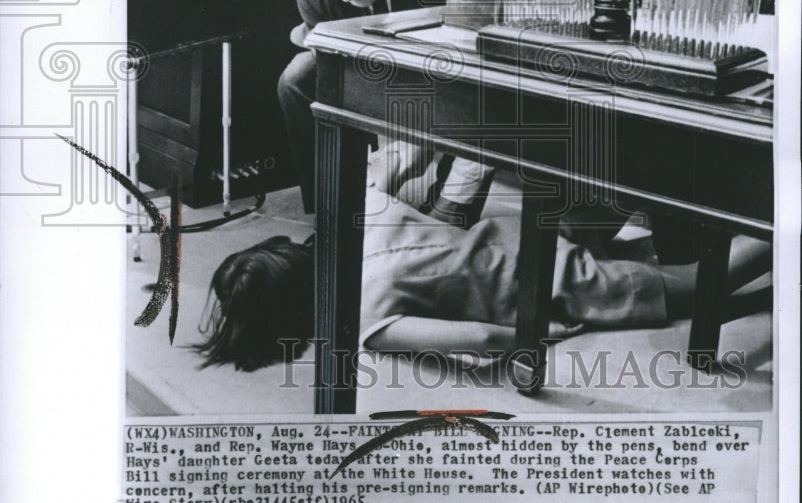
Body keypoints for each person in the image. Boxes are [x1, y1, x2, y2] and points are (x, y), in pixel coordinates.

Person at [193, 188, 771, 369]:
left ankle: (782, 229)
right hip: (521, 224)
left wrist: (546, 334)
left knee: (701, 285)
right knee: (663, 257)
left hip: (544, 275)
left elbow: (490, 341)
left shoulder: (363, 319)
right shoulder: (356, 221)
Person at [276, 0, 451, 212]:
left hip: (441, 60)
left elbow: (464, 61)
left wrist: (417, 140)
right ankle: (334, 208)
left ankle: (449, 206)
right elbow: (337, 74)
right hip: (365, 61)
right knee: (296, 79)